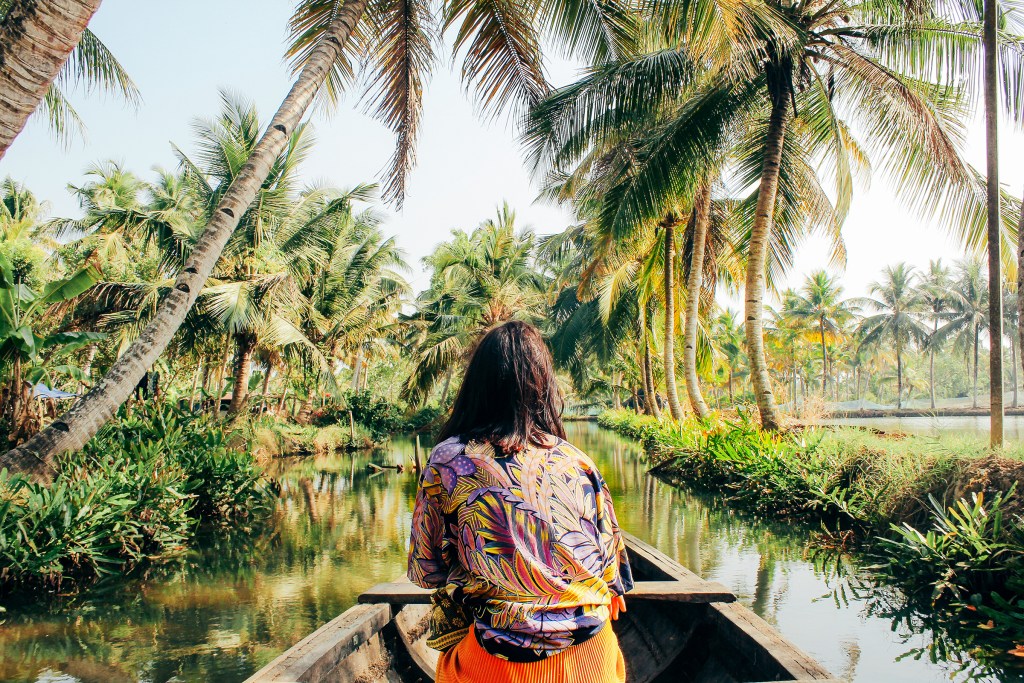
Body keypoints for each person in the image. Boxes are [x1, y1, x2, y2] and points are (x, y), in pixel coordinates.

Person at [408, 320, 633, 683]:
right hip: (594, 658)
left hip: (500, 664)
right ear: (543, 386)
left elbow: (426, 571)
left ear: (476, 386)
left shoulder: (449, 459)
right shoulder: (576, 460)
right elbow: (614, 579)